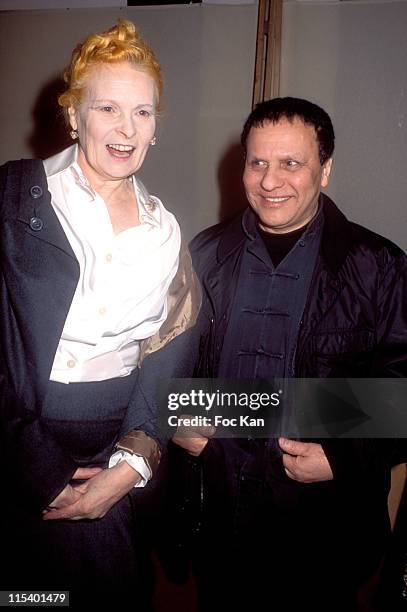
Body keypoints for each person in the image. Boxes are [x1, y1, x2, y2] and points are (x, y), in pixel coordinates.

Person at [171, 97, 407, 611]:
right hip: (220, 513)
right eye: (257, 162)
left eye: (290, 164)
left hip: (320, 527)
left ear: (325, 170)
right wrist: (178, 416)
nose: (270, 181)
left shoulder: (380, 267)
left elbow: (401, 391)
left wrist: (344, 455)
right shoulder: (201, 254)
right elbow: (169, 361)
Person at [0, 20, 200, 608]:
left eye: (143, 112)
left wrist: (133, 461)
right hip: (15, 449)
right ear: (73, 117)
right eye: (107, 107)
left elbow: (167, 355)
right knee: (27, 598)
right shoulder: (13, 198)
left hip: (113, 450)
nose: (126, 128)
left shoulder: (166, 232)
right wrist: (40, 469)